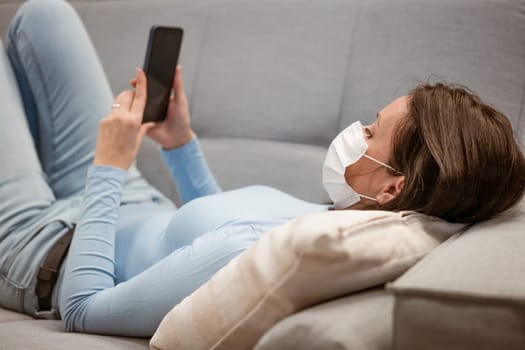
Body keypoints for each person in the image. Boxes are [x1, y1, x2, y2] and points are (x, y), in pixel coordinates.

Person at [1, 0, 524, 338]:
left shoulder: (265, 252)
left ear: (393, 187)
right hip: (121, 199)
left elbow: (84, 310)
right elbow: (213, 223)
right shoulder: (338, 214)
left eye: (371, 131)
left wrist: (109, 165)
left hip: (43, 245)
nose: (357, 130)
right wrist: (180, 144)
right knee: (45, 14)